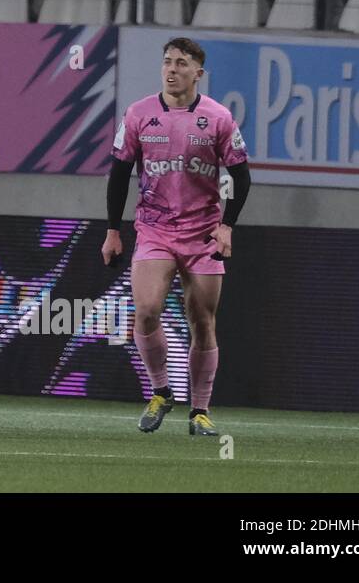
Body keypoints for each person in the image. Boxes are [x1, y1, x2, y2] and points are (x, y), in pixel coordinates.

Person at [102, 37, 250, 437]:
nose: (171, 69)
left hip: (203, 232)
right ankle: (161, 390)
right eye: (167, 61)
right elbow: (118, 174)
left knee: (202, 320)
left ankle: (200, 411)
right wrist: (113, 230)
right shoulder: (138, 114)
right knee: (147, 310)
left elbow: (241, 176)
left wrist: (226, 225)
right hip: (154, 229)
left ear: (198, 73)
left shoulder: (218, 118)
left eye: (181, 63)